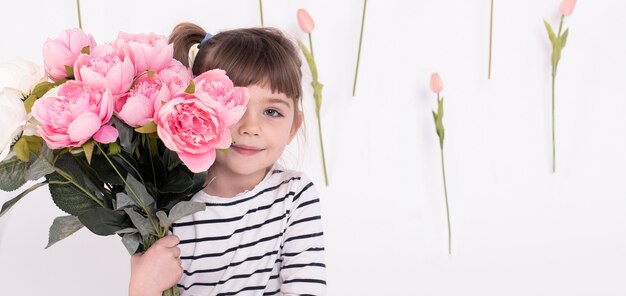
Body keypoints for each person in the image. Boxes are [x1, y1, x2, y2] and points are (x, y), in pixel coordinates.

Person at [128, 23, 327, 296]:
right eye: (235, 104)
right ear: (195, 108)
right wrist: (142, 288)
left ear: (293, 127)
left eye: (271, 111)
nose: (250, 126)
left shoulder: (293, 197)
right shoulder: (164, 201)